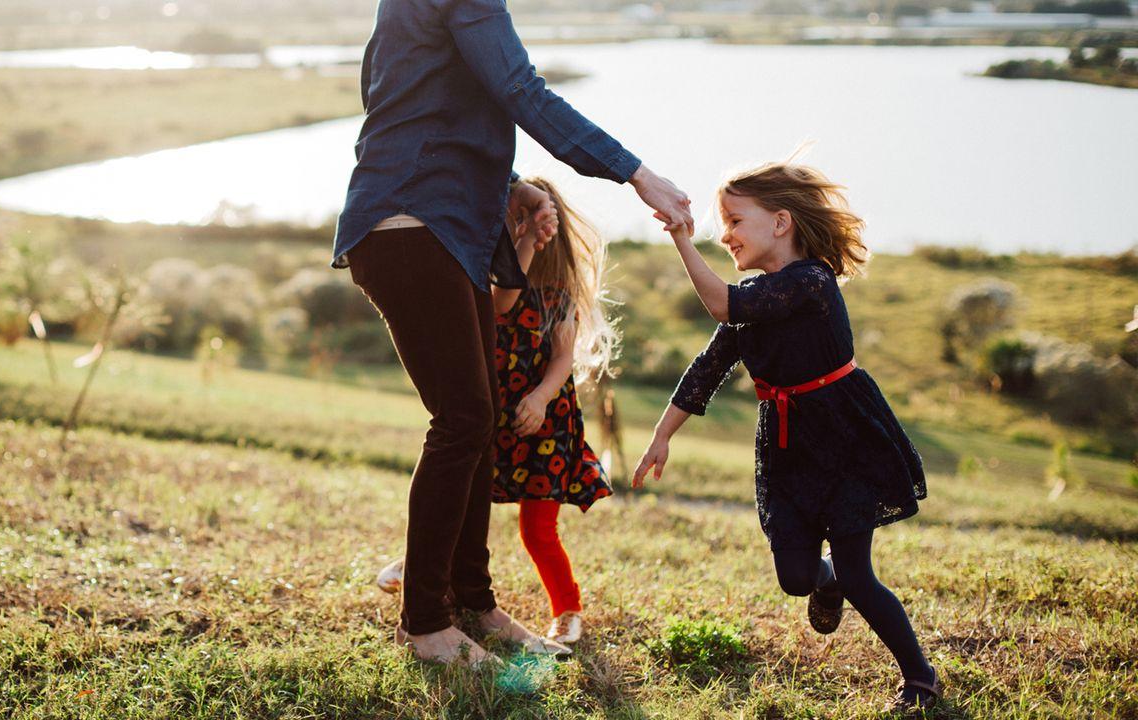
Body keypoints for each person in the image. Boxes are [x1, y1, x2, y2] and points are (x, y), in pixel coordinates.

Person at [333, 0, 693, 667]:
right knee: (464, 417)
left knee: (481, 415)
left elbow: (424, 109)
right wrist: (637, 173)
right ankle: (426, 621)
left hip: (441, 230)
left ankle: (473, 599)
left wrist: (509, 185)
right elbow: (521, 91)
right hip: (412, 226)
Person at [632, 162, 942, 714]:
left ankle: (920, 677)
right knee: (796, 579)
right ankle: (823, 581)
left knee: (858, 574)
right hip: (786, 448)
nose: (724, 234)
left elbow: (722, 304)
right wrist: (662, 435)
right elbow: (708, 367)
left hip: (845, 439)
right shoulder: (753, 298)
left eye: (733, 220)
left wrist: (681, 240)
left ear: (780, 222)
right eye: (719, 224)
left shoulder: (810, 281)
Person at [376, 178, 617, 651]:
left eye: (535, 223)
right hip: (494, 418)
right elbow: (504, 299)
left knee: (538, 530)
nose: (523, 229)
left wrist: (541, 398)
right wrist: (523, 242)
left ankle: (566, 608)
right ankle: (420, 568)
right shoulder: (485, 286)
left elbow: (563, 360)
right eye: (514, 223)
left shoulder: (560, 296)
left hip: (544, 421)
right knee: (460, 501)